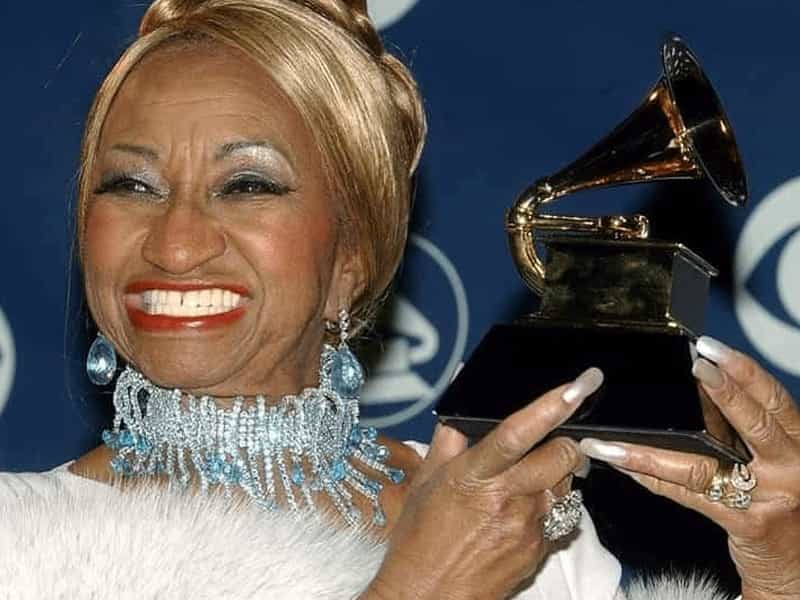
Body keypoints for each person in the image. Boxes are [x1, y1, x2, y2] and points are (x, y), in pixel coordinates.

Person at [0, 1, 798, 598]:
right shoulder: (21, 540)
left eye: (247, 185)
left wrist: (781, 568)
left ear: (352, 258)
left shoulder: (506, 511)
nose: (175, 244)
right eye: (130, 184)